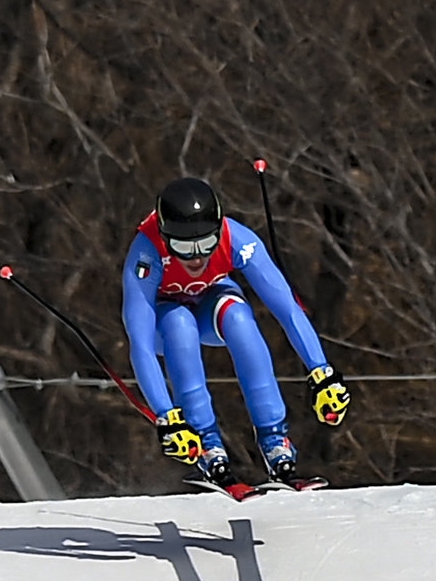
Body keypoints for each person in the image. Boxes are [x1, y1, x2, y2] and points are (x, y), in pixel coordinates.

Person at [121, 176, 350, 485]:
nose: (197, 257)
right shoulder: (146, 254)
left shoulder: (237, 239)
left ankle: (274, 439)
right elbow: (141, 343)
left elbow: (287, 308)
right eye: (183, 247)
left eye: (206, 244)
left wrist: (321, 373)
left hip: (208, 308)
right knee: (179, 324)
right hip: (166, 326)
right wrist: (167, 415)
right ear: (164, 237)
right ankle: (205, 442)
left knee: (239, 318)